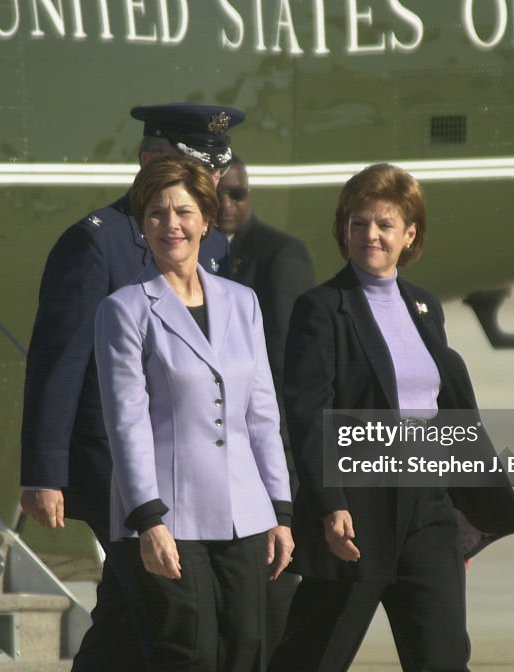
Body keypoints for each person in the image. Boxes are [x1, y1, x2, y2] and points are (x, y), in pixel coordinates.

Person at [269, 164, 514, 672]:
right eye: (359, 223)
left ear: (410, 234)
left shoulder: (425, 308)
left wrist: (464, 513)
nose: (371, 235)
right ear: (344, 229)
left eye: (385, 225)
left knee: (443, 657)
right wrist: (329, 505)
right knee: (313, 655)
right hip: (354, 517)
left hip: (427, 513)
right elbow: (307, 414)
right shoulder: (321, 309)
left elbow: (442, 411)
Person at [20, 103, 242, 671]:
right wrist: (45, 473)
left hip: (189, 466)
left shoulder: (211, 243)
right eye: (194, 165)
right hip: (115, 469)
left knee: (126, 623)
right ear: (149, 160)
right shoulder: (97, 243)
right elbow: (59, 362)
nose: (209, 179)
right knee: (179, 622)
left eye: (215, 169)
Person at [94, 155, 294, 671]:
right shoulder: (125, 309)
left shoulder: (243, 300)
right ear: (143, 226)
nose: (171, 225)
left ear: (207, 219)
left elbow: (262, 412)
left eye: (183, 211)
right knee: (192, 653)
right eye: (156, 214)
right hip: (169, 515)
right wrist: (147, 521)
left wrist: (280, 509)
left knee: (248, 648)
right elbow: (126, 421)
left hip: (245, 513)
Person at [216, 155, 314, 658]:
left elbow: (283, 363)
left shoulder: (279, 256)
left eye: (239, 194)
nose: (230, 205)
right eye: (221, 194)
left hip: (268, 446)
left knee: (273, 595)